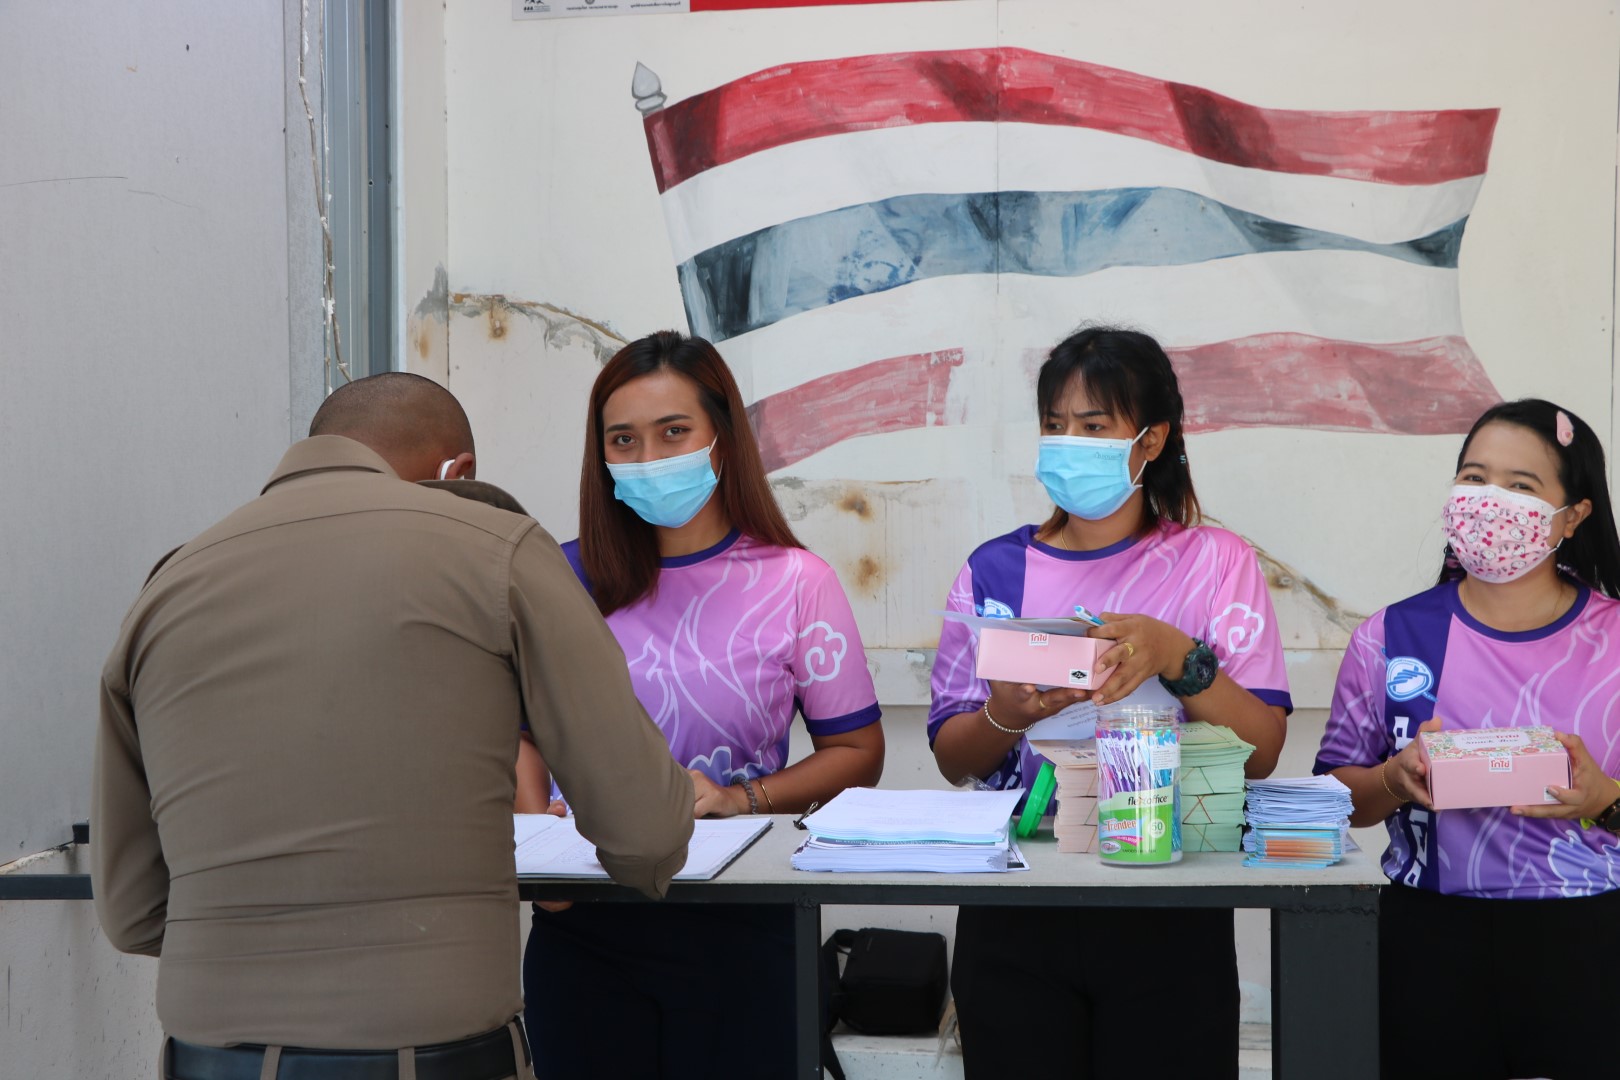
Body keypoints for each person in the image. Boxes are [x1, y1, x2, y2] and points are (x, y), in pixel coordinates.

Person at [92, 371, 694, 1080]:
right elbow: (646, 833)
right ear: (459, 473)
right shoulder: (495, 548)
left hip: (205, 1057)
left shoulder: (167, 587)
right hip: (431, 1054)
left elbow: (132, 911)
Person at [519, 331, 884, 1080]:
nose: (648, 457)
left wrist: (739, 798)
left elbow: (858, 754)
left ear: (722, 438)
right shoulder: (556, 576)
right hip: (585, 932)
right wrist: (539, 855)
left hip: (746, 929)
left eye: (673, 432)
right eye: (624, 440)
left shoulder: (798, 581)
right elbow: (518, 734)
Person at [929, 326, 1291, 1079]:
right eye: (1055, 425)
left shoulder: (1215, 562)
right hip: (1019, 900)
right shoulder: (995, 570)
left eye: (1094, 427)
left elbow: (1261, 753)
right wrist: (1009, 715)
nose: (1070, 444)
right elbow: (953, 760)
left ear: (1150, 440)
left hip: (1170, 902)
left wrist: (1179, 658)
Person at [1314, 398, 1620, 1080]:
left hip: (1589, 941)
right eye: (1474, 477)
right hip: (1429, 941)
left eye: (1521, 485)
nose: (1490, 501)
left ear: (1573, 516)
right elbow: (1333, 799)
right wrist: (1393, 780)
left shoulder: (1615, 640)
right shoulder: (1388, 636)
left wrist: (1604, 799)